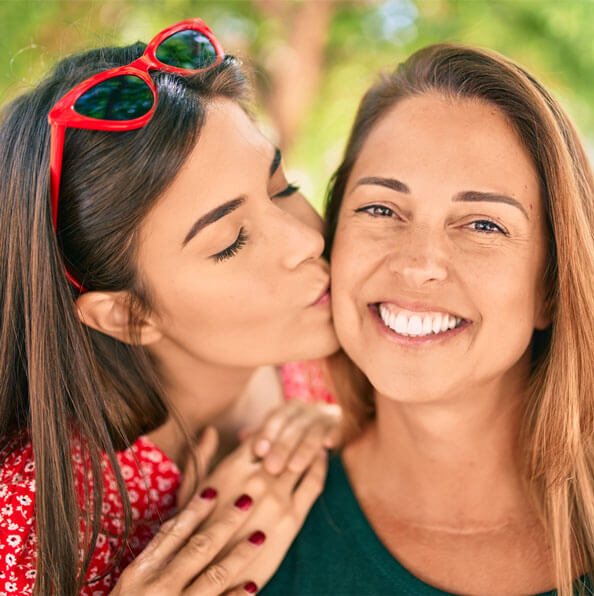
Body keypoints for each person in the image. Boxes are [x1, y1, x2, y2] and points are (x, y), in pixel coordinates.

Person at [0, 18, 341, 595]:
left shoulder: (331, 349)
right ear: (129, 315)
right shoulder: (35, 515)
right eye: (231, 241)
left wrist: (359, 440)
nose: (307, 240)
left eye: (281, 185)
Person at [263, 43, 594, 596]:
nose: (418, 265)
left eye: (483, 225)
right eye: (380, 209)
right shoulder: (252, 530)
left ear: (551, 287)